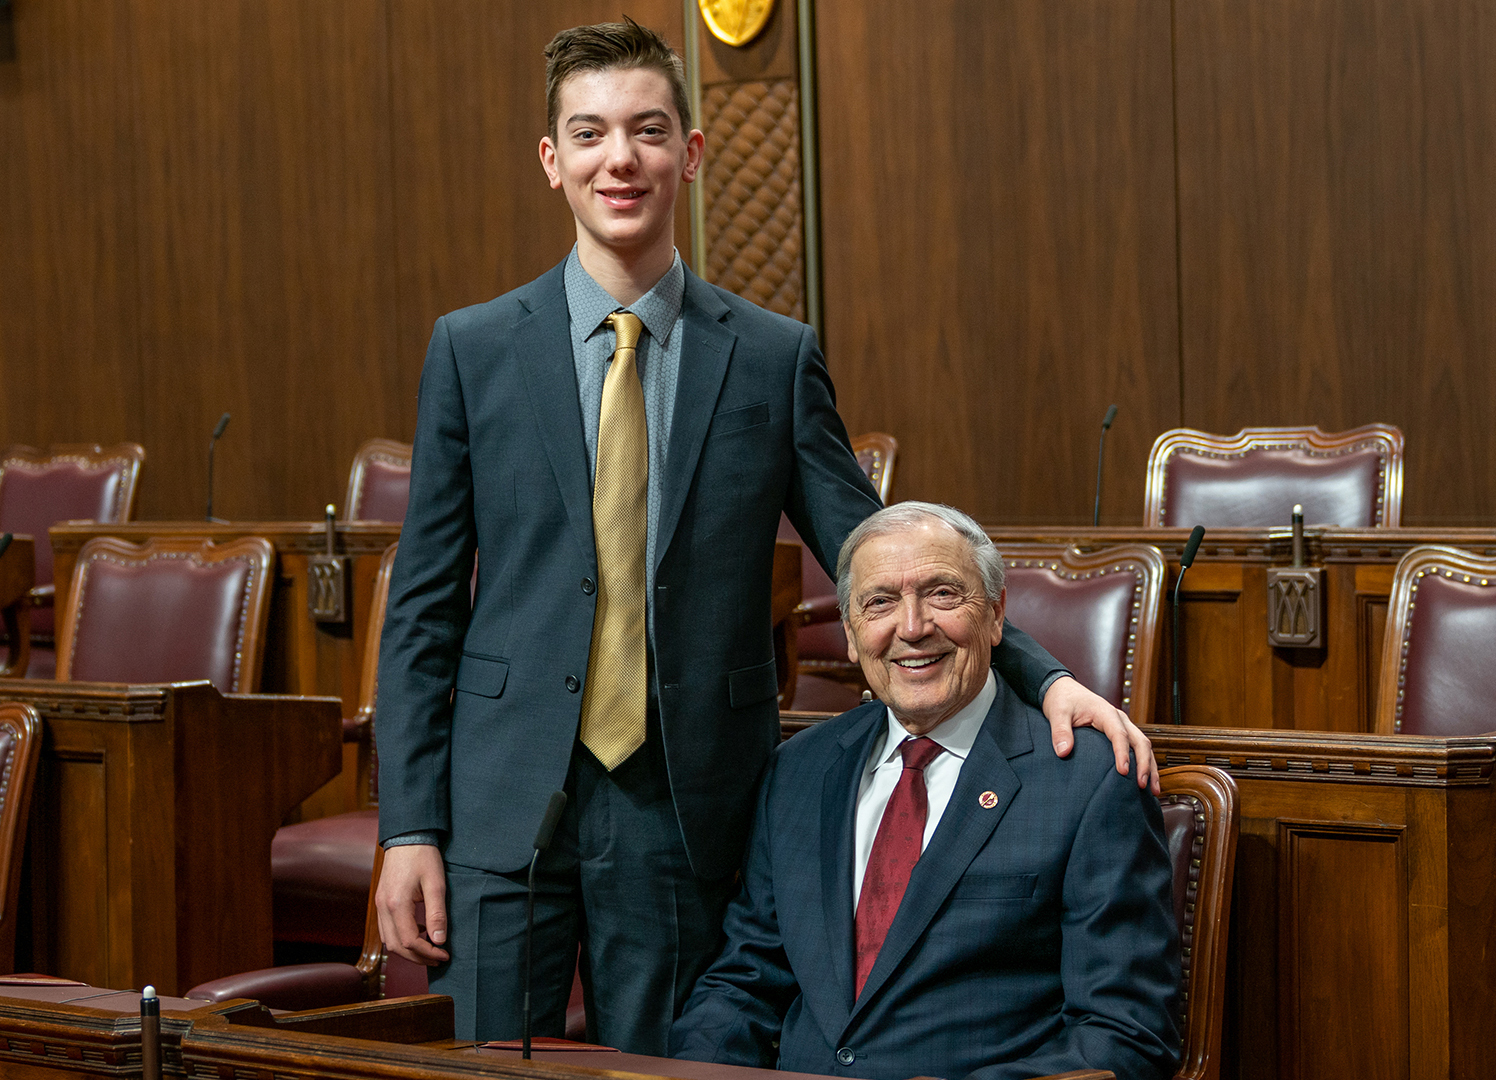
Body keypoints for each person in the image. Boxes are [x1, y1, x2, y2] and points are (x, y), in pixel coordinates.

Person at [372, 18, 1158, 1054]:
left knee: (670, 1071)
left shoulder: (774, 359)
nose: (623, 159)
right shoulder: (470, 350)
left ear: (690, 156)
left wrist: (1043, 675)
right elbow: (424, 607)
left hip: (685, 804)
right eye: (593, 134)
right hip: (501, 801)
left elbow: (878, 552)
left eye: (649, 131)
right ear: (552, 161)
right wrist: (410, 827)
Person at [672, 502, 1182, 1080]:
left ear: (995, 616)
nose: (911, 628)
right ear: (849, 633)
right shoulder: (798, 771)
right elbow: (744, 984)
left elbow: (1125, 1037)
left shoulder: (1087, 780)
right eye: (880, 602)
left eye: (942, 594)